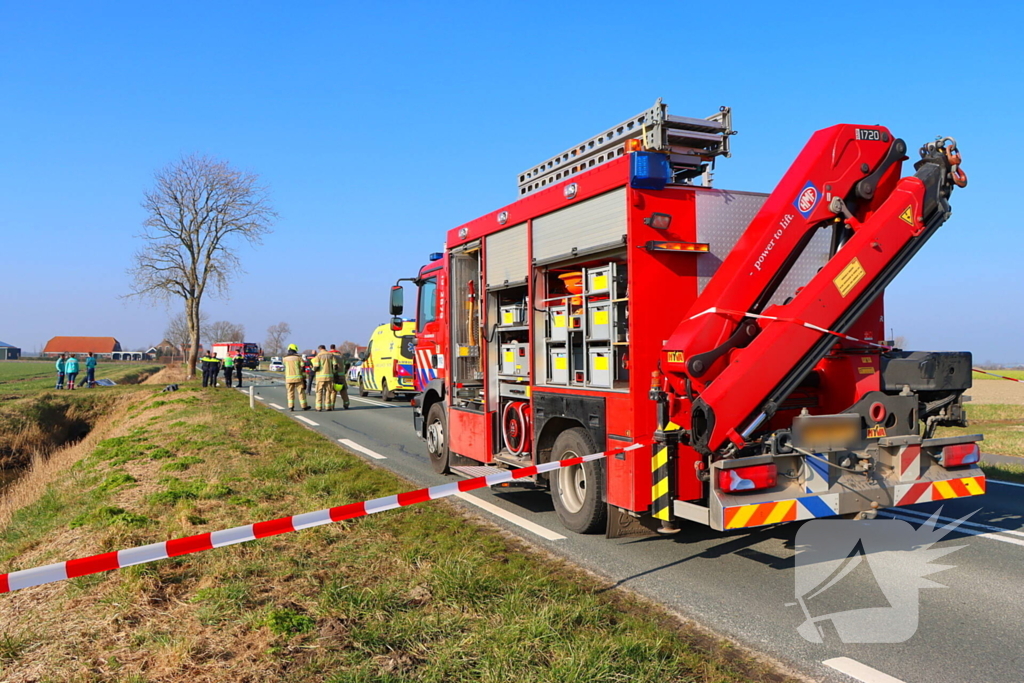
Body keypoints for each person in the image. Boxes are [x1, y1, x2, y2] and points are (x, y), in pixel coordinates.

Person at [283, 344, 310, 411]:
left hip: (289, 378)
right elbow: (303, 367)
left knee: (290, 392)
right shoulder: (298, 358)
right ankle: (304, 406)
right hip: (298, 378)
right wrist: (304, 378)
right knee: (301, 392)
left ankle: (291, 407)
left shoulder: (285, 359)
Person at [312, 345, 336, 411]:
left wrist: (313, 369)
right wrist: (333, 372)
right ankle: (328, 407)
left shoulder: (318, 356)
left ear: (320, 349)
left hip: (320, 378)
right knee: (328, 392)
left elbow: (316, 367)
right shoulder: (331, 355)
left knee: (319, 392)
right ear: (325, 348)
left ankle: (318, 407)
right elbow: (335, 365)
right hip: (329, 377)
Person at [329, 344, 351, 410]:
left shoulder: (329, 356)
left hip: (333, 376)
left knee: (333, 391)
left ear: (330, 348)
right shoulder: (341, 356)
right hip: (341, 376)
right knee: (343, 391)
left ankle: (332, 405)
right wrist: (345, 371)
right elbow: (348, 364)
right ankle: (346, 404)